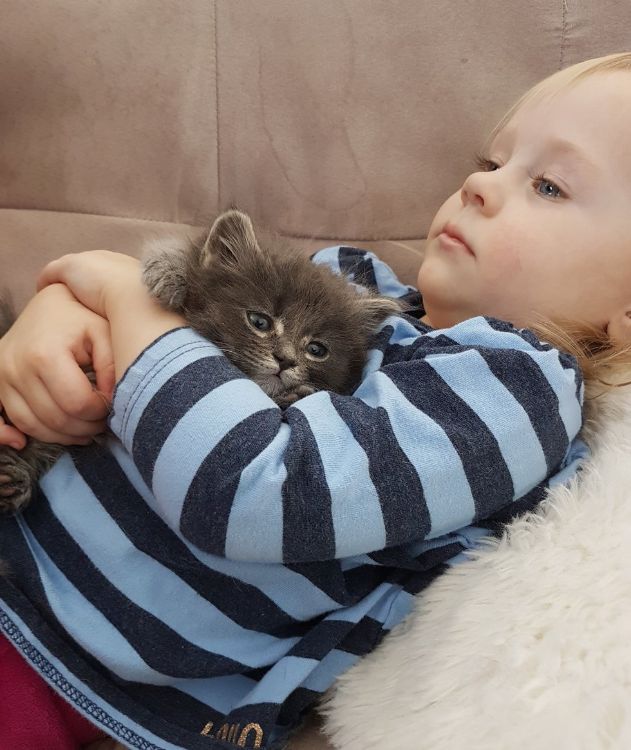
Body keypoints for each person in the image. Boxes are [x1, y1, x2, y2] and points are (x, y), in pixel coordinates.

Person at [0, 51, 629, 749]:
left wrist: (120, 291)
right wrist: (59, 316)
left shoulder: (513, 392)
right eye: (491, 162)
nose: (478, 187)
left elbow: (250, 492)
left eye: (548, 185)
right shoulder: (356, 289)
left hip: (60, 648)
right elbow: (193, 311)